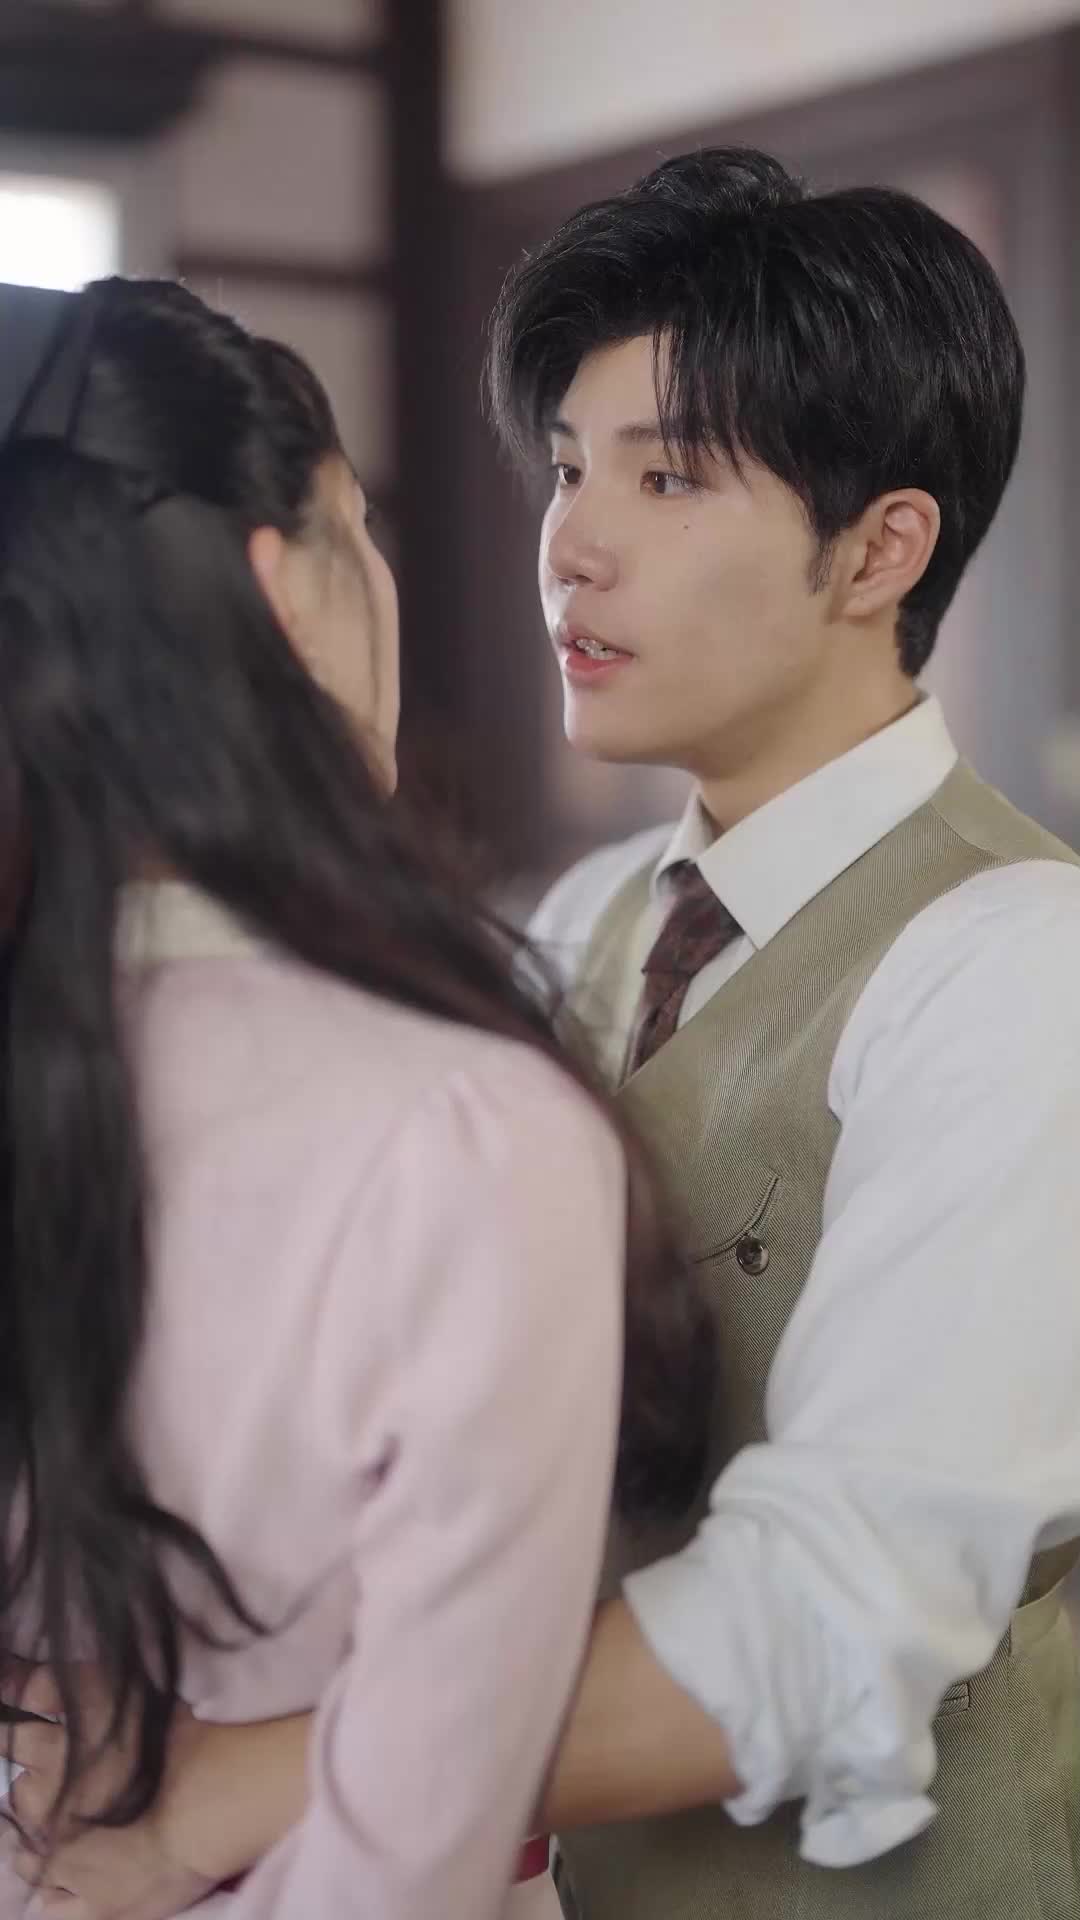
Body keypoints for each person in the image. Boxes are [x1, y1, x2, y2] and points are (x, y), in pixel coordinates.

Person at [13, 142, 1080, 1920]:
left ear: (880, 548)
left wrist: (240, 1784)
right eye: (569, 469)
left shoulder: (1019, 962)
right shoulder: (582, 921)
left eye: (669, 478)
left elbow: (839, 1601)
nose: (571, 545)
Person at [0, 273, 708, 1920]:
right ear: (286, 595)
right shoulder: (464, 1130)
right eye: (358, 527)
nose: (573, 546)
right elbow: (415, 1851)